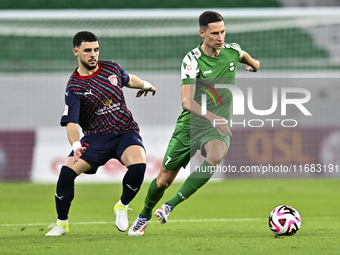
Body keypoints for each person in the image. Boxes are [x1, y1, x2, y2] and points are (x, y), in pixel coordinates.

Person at [128, 11, 260, 236]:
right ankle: (144, 214)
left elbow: (250, 59)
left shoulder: (232, 51)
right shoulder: (192, 60)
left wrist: (253, 66)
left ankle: (169, 206)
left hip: (217, 127)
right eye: (215, 33)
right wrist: (212, 116)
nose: (221, 37)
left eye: (223, 32)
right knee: (163, 180)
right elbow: (187, 101)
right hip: (191, 126)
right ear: (202, 33)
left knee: (216, 155)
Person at [45, 31, 156, 236]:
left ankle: (122, 206)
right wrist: (76, 145)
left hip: (125, 132)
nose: (93, 54)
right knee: (66, 174)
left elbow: (128, 79)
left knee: (139, 166)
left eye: (96, 49)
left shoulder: (111, 68)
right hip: (95, 138)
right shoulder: (74, 87)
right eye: (87, 50)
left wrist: (147, 85)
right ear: (76, 52)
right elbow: (71, 123)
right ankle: (62, 223)